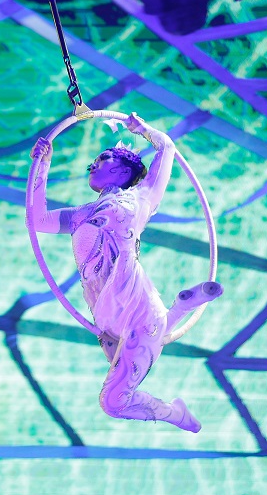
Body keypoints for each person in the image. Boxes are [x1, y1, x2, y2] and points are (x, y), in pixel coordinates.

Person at [29, 113, 222, 432]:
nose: (91, 165)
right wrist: (42, 165)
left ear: (122, 169)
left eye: (101, 158)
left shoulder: (142, 198)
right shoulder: (80, 215)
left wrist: (143, 130)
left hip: (137, 315)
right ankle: (181, 306)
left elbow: (167, 148)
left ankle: (174, 412)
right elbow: (36, 220)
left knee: (114, 402)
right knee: (120, 389)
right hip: (110, 321)